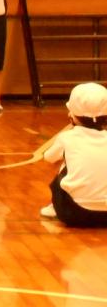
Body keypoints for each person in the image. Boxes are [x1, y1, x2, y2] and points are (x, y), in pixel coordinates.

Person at [40, 83, 107, 227]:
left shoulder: (67, 138)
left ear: (73, 115)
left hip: (74, 213)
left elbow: (49, 158)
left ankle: (55, 206)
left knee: (66, 163)